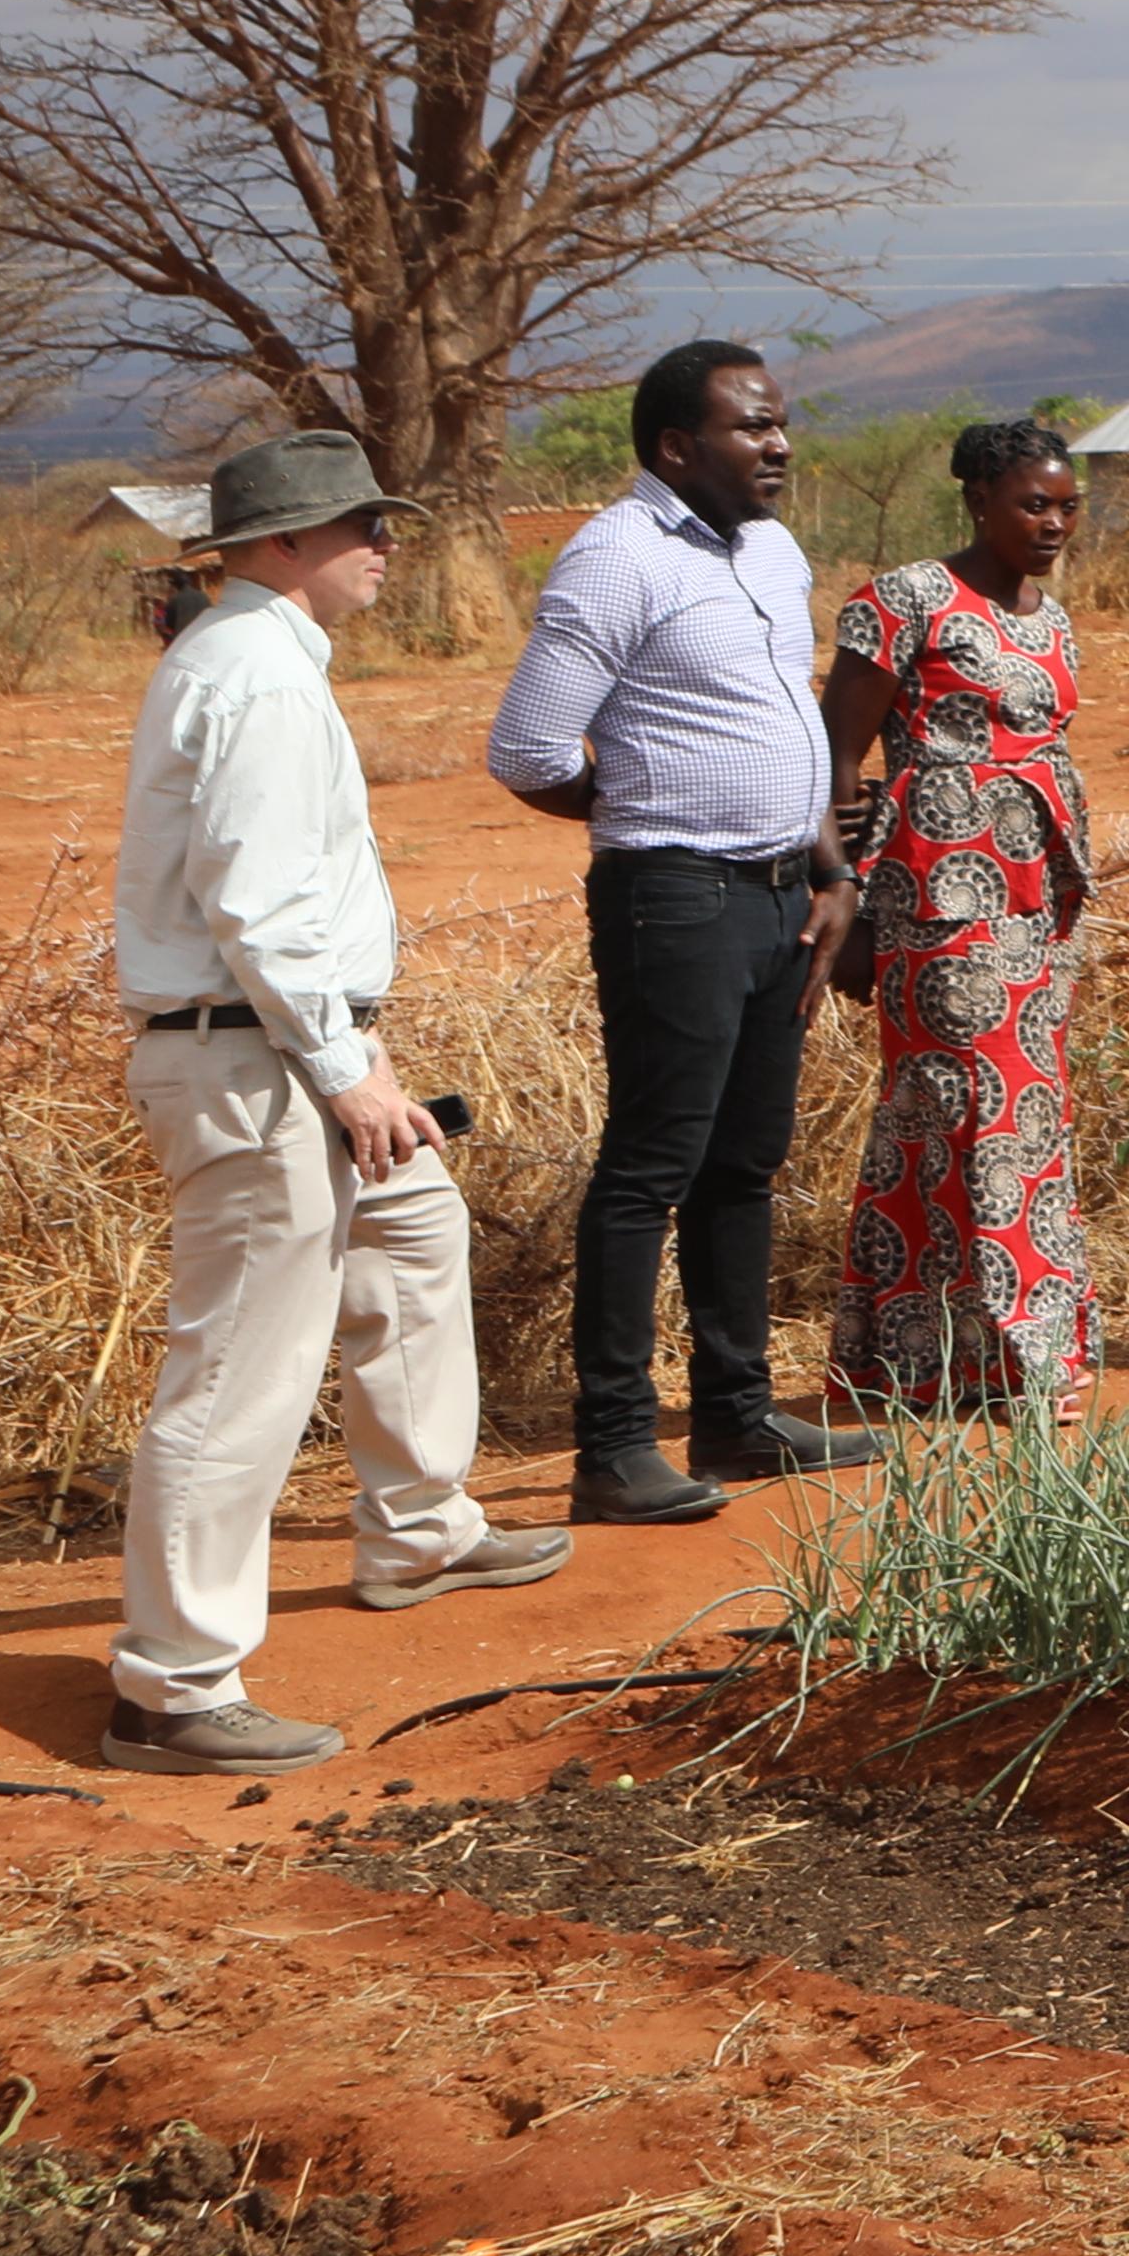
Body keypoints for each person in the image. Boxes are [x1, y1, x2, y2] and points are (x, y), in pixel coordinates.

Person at [104, 431, 568, 1774]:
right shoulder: (253, 672)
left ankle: (419, 1527)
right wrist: (344, 1064)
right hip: (258, 1055)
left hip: (274, 1042)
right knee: (240, 1365)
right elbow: (256, 895)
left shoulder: (257, 659)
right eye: (358, 524)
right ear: (278, 546)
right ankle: (173, 1685)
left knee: (415, 1229)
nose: (385, 543)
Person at [491, 338, 874, 1527]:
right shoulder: (614, 559)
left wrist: (828, 869)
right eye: (753, 427)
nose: (780, 444)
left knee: (743, 1164)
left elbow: (780, 716)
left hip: (782, 893)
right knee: (649, 1167)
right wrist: (658, 816)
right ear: (675, 447)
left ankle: (735, 1414)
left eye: (780, 422)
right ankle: (611, 1447)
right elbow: (529, 751)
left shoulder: (767, 546)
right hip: (677, 900)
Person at [816, 419, 1105, 1423]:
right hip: (940, 896)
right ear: (979, 499)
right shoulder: (907, 600)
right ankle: (1016, 1359)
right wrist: (845, 900)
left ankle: (924, 1358)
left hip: (1037, 900)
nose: (1054, 521)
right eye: (1034, 503)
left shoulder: (1051, 616)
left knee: (1022, 1113)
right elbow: (837, 761)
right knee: (971, 1109)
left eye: (1067, 504)